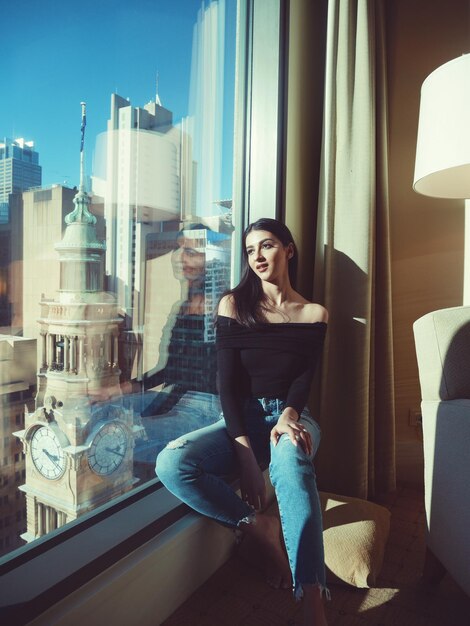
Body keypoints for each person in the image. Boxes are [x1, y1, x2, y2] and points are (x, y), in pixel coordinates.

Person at [156, 218, 329, 625]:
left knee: (290, 456)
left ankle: (313, 601)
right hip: (241, 419)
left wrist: (288, 416)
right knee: (172, 463)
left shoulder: (315, 313)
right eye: (250, 251)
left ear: (288, 249)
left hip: (292, 416)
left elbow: (304, 380)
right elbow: (227, 388)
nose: (257, 257)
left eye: (266, 246)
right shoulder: (234, 305)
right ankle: (259, 528)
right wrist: (247, 460)